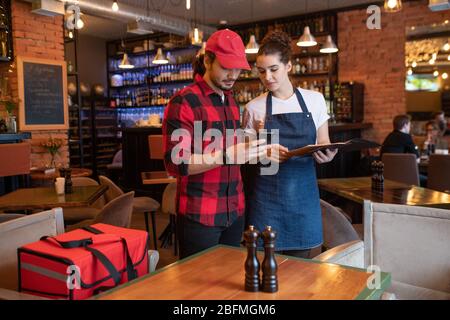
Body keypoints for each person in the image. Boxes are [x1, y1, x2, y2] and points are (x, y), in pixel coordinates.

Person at [163, 29, 266, 259]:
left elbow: (230, 147)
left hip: (234, 212)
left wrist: (253, 141)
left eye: (238, 68)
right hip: (200, 215)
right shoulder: (184, 101)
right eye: (226, 67)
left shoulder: (230, 100)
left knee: (229, 285)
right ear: (208, 60)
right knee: (200, 290)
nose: (233, 75)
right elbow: (176, 163)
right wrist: (227, 156)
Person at [242, 31, 337, 258]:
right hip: (266, 198)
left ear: (289, 67)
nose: (268, 77)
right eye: (262, 71)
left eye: (273, 69)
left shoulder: (314, 100)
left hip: (304, 197)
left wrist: (328, 153)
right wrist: (263, 152)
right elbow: (244, 155)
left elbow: (324, 141)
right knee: (267, 269)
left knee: (304, 273)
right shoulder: (253, 108)